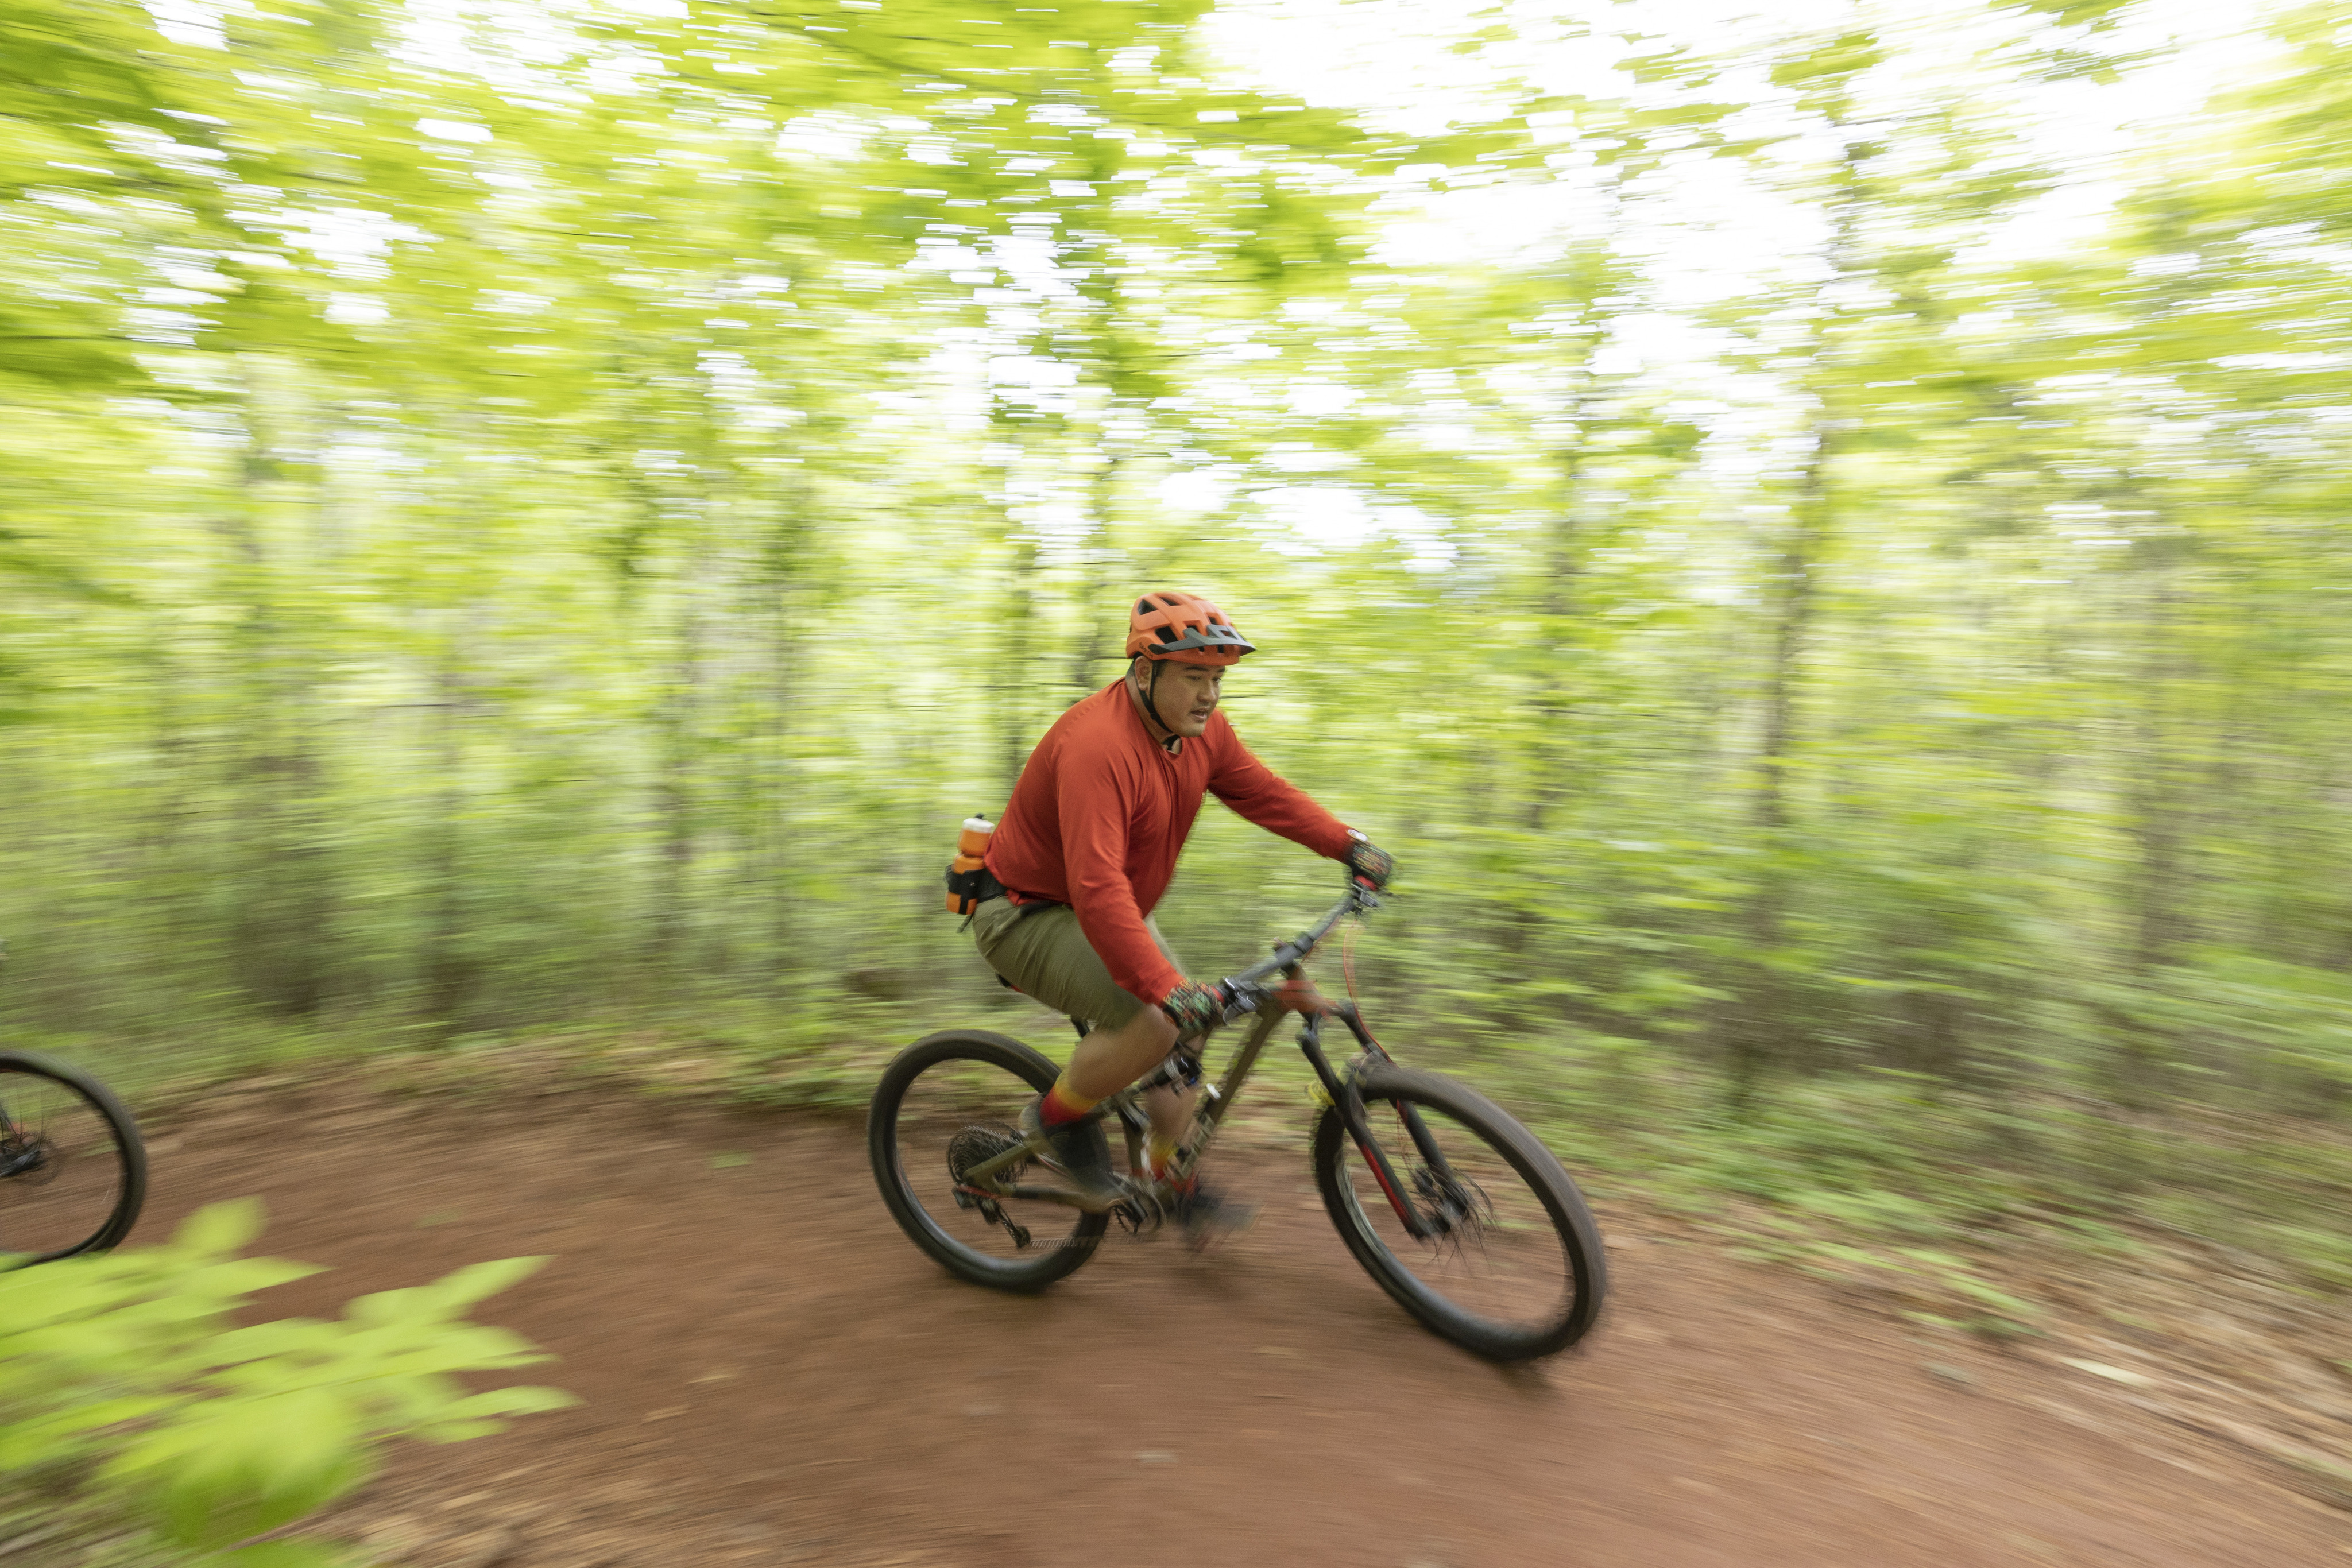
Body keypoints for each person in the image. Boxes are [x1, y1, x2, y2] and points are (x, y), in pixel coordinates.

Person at [967, 590, 1393, 1236]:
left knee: (1188, 1024)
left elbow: (1265, 794)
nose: (1210, 694)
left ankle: (1169, 1175)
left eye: (1217, 677)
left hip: (1105, 907)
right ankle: (1050, 1122)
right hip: (1024, 912)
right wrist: (1165, 992)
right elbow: (1096, 883)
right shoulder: (1096, 746)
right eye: (1195, 675)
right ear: (1145, 672)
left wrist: (1349, 845)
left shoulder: (1200, 734)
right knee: (1160, 1016)